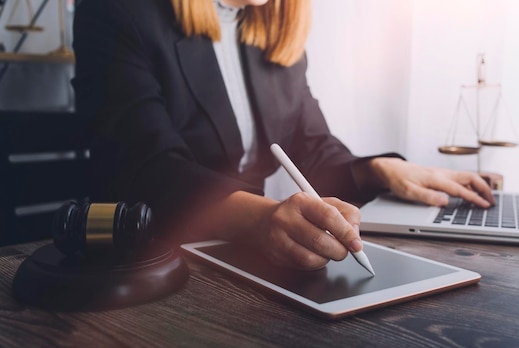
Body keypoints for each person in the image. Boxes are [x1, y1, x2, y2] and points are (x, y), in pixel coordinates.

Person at [72, 0, 494, 270]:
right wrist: (260, 217)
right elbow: (147, 169)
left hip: (241, 263)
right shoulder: (118, 11)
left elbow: (312, 145)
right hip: (142, 260)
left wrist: (383, 170)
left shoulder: (271, 25)